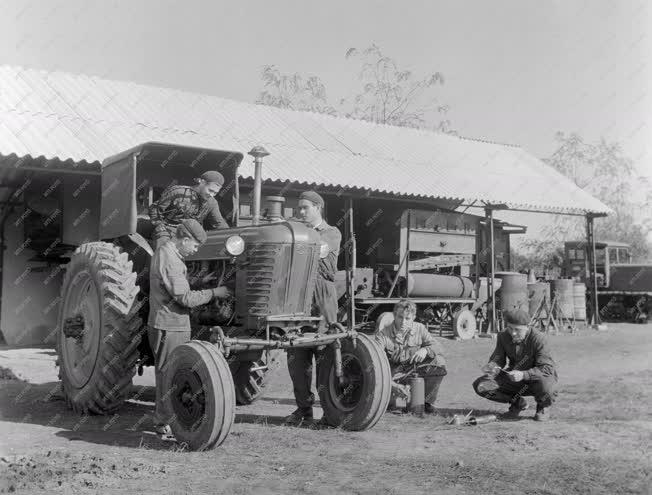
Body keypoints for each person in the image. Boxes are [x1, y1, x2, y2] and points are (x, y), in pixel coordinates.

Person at [148, 219, 231, 437]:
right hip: (170, 325)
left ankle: (167, 421)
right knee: (169, 375)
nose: (195, 250)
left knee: (170, 373)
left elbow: (175, 285)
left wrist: (202, 279)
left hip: (171, 323)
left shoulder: (168, 253)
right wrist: (215, 292)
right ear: (184, 239)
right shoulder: (170, 258)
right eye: (194, 246)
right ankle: (163, 423)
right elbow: (185, 298)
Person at [285, 190, 342, 426]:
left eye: (305, 208)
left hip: (322, 298)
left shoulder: (331, 233)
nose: (300, 212)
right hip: (298, 297)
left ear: (318, 207)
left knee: (324, 356)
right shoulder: (299, 232)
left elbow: (315, 254)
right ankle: (303, 410)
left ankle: (329, 412)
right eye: (299, 208)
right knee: (297, 357)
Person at [472, 309, 558, 421]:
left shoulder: (539, 339)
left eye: (517, 329)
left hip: (538, 380)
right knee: (481, 385)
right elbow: (498, 359)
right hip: (514, 380)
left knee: (547, 386)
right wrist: (492, 368)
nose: (512, 333)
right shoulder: (503, 336)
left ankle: (543, 407)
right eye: (510, 328)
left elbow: (546, 369)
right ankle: (517, 402)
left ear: (528, 327)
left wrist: (523, 374)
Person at [375, 300, 448, 413]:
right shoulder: (383, 335)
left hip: (413, 373)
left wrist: (425, 350)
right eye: (400, 317)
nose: (403, 322)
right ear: (394, 315)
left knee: (439, 361)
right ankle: (393, 396)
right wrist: (394, 386)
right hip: (391, 378)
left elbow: (438, 347)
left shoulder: (420, 328)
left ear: (413, 317)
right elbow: (375, 368)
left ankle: (427, 403)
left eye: (407, 318)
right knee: (388, 407)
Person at [148, 170, 229, 248]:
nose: (212, 195)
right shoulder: (178, 192)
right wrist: (159, 224)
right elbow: (154, 209)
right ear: (202, 182)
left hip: (190, 234)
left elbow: (219, 223)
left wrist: (231, 235)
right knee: (165, 245)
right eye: (210, 190)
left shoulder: (212, 202)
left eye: (215, 193)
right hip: (167, 229)